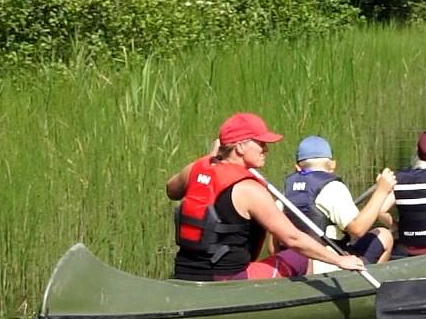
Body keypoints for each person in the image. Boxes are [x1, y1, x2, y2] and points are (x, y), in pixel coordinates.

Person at [164, 113, 300, 282]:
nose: (266, 149)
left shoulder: (195, 169)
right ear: (241, 147)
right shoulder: (249, 189)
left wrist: (208, 159)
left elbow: (172, 190)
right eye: (261, 143)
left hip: (184, 273)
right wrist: (338, 259)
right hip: (228, 279)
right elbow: (293, 238)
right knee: (301, 258)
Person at [264, 134, 393, 274]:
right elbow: (358, 229)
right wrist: (381, 191)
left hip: (296, 267)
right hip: (331, 266)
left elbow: (273, 242)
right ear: (332, 165)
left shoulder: (285, 191)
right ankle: (366, 288)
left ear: (297, 167)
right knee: (384, 234)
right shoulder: (332, 188)